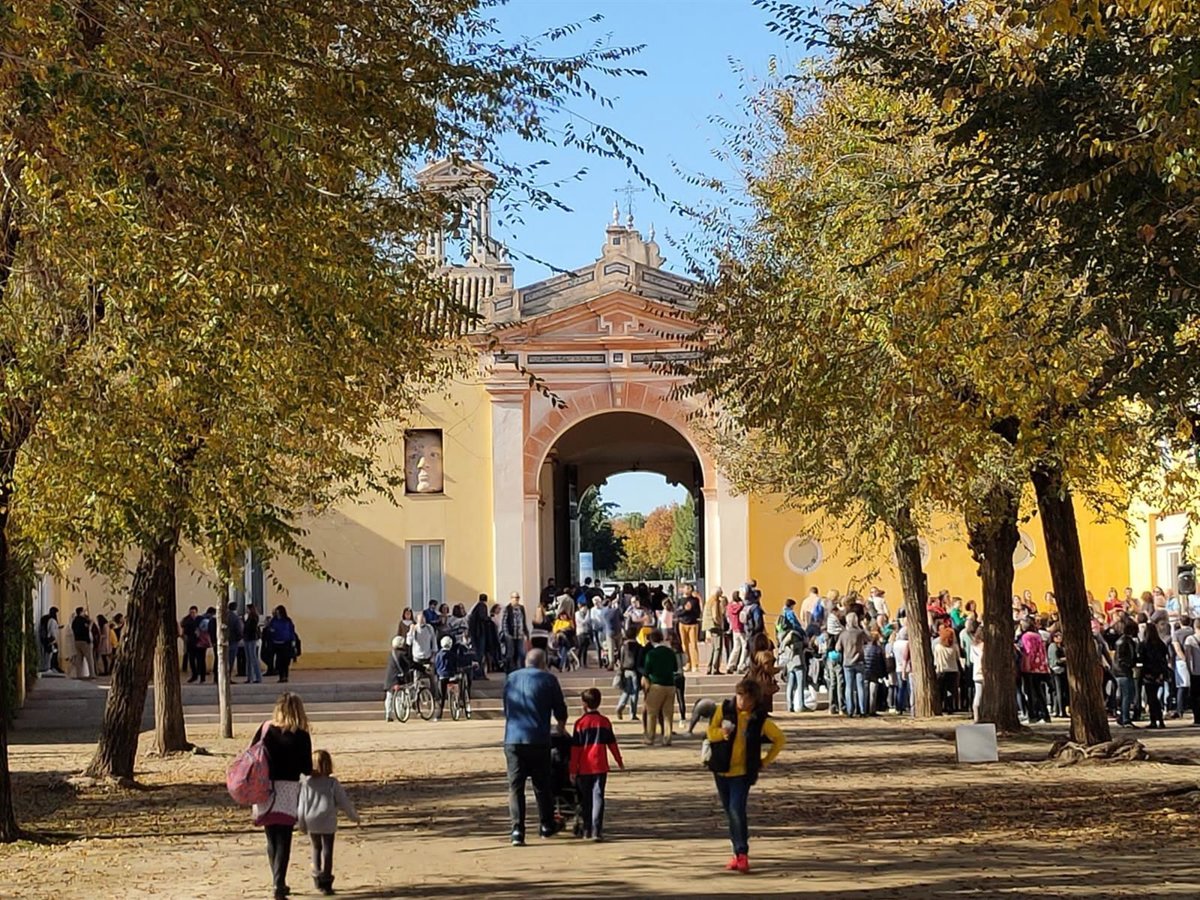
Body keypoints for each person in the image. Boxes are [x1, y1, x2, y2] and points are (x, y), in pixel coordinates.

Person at [705, 679, 786, 874]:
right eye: (739, 696)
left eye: (747, 698)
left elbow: (779, 739)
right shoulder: (724, 709)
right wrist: (721, 734)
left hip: (742, 773)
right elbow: (710, 732)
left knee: (736, 810)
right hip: (721, 769)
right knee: (730, 812)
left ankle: (742, 853)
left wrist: (764, 761)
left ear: (754, 700)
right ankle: (736, 853)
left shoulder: (758, 719)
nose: (742, 701)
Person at [502, 648, 568, 846]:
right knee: (542, 785)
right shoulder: (548, 680)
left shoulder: (511, 678)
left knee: (515, 787)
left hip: (514, 738)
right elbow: (560, 709)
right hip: (538, 738)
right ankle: (546, 824)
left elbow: (506, 707)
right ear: (543, 663)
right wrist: (561, 727)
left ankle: (517, 830)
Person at [251, 693, 313, 900]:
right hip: (288, 789)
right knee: (284, 838)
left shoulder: (265, 730)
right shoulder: (301, 736)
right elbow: (306, 768)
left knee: (271, 837)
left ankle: (277, 880)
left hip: (265, 788)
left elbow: (252, 753)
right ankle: (279, 883)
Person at [298, 749, 359, 895]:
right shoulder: (332, 783)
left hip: (311, 819)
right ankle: (326, 880)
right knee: (327, 850)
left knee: (316, 847)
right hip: (327, 819)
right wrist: (354, 817)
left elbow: (302, 804)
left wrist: (301, 823)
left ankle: (316, 874)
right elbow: (344, 802)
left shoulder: (306, 783)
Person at [568, 687, 624, 841]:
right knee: (598, 796)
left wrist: (572, 769)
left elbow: (575, 750)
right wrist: (619, 760)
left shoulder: (580, 724)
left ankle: (586, 830)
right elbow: (612, 744)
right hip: (600, 765)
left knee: (586, 799)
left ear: (584, 704)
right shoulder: (604, 722)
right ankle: (596, 830)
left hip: (584, 766)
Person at [640, 629, 677, 746]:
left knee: (652, 713)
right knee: (668, 714)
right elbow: (675, 668)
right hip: (670, 685)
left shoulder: (651, 654)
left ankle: (650, 737)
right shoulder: (670, 652)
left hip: (656, 685)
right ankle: (667, 738)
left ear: (651, 640)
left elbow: (647, 671)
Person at [836, 612, 868, 717]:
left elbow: (837, 648)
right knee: (860, 687)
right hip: (859, 661)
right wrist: (864, 627)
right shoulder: (860, 633)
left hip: (847, 662)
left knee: (849, 687)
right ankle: (862, 710)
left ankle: (850, 710)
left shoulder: (843, 634)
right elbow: (869, 639)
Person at [1140, 623, 1170, 729]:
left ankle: (1154, 720)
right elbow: (1164, 659)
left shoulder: (1144, 645)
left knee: (1151, 697)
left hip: (1148, 673)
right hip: (1159, 673)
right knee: (1154, 697)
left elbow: (1141, 658)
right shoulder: (1161, 644)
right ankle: (1159, 720)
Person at [1113, 619, 1140, 727]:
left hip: (1122, 671)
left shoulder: (1124, 641)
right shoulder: (1124, 642)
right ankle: (1125, 719)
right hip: (1123, 672)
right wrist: (1130, 664)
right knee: (1127, 696)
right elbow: (1121, 659)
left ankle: (1123, 717)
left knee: (1127, 695)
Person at [614, 626, 643, 722]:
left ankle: (620, 705)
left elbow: (619, 659)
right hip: (634, 670)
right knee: (634, 692)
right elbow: (639, 660)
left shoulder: (623, 646)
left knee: (626, 690)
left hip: (625, 670)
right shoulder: (638, 646)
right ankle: (632, 713)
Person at [266, 606, 298, 684]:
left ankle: (285, 676)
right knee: (279, 661)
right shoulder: (274, 621)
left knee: (286, 661)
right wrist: (271, 631)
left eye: (278, 612)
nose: (277, 613)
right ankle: (281, 676)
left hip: (286, 643)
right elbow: (270, 629)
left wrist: (293, 641)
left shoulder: (287, 620)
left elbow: (291, 631)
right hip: (277, 643)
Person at [934, 626, 962, 715]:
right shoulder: (955, 647)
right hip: (953, 671)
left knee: (940, 690)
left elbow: (935, 659)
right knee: (950, 691)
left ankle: (941, 707)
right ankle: (949, 707)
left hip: (941, 670)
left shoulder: (938, 647)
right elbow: (958, 658)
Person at [500, 592, 529, 673]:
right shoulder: (507, 608)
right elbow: (504, 622)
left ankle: (521, 669)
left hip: (520, 634)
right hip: (510, 634)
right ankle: (509, 669)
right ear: (511, 598)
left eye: (517, 598)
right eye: (515, 598)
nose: (516, 599)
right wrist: (506, 634)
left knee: (522, 653)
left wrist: (526, 632)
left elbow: (523, 621)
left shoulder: (521, 608)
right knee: (510, 654)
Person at [677, 584, 702, 673]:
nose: (688, 589)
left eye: (689, 588)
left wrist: (691, 610)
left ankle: (695, 664)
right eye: (686, 588)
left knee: (693, 644)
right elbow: (678, 613)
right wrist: (685, 610)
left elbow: (697, 613)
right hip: (682, 624)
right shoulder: (680, 600)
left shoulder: (694, 600)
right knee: (684, 644)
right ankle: (687, 663)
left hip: (693, 624)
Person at [703, 589, 726, 675]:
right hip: (715, 626)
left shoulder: (709, 601)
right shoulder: (715, 602)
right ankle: (715, 668)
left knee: (713, 648)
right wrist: (720, 624)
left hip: (709, 626)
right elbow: (715, 616)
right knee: (717, 648)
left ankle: (709, 668)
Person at [70, 608, 95, 681]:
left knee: (79, 659)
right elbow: (88, 629)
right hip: (85, 641)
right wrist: (91, 623)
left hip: (77, 640)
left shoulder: (74, 621)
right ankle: (92, 674)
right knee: (89, 658)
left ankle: (79, 674)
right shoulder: (83, 620)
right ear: (81, 612)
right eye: (84, 611)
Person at [726, 591, 747, 673]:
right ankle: (740, 666)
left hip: (734, 628)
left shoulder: (729, 606)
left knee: (736, 648)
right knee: (745, 647)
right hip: (741, 628)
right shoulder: (741, 606)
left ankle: (730, 665)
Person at [37, 607, 61, 675]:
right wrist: (54, 638)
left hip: (46, 639)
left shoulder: (45, 618)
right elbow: (52, 630)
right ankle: (49, 667)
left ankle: (47, 667)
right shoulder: (52, 620)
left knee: (47, 653)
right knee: (52, 654)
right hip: (51, 639)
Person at [244, 605, 264, 684]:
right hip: (247, 639)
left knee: (253, 658)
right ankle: (250, 677)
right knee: (249, 659)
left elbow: (251, 628)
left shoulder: (254, 618)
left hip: (251, 639)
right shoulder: (248, 617)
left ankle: (258, 677)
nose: (246, 610)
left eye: (247, 609)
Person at [226, 601, 245, 680]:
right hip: (233, 641)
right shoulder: (236, 618)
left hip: (225, 641)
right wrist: (239, 638)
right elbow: (239, 630)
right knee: (231, 660)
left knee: (224, 661)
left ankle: (221, 677)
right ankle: (228, 677)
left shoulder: (224, 616)